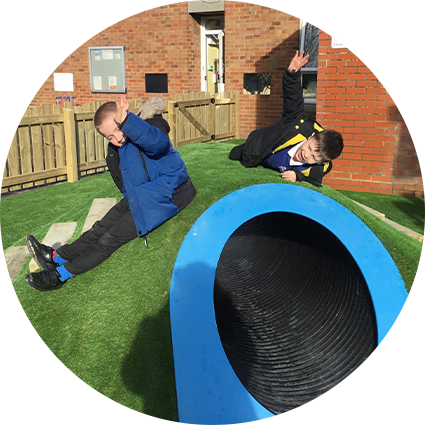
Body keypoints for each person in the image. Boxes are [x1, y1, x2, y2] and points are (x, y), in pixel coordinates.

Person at [25, 96, 196, 291]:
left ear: (126, 118)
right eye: (110, 137)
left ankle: (59, 275)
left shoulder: (150, 127)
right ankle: (57, 257)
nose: (118, 139)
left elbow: (156, 143)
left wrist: (128, 123)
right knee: (99, 228)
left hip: (168, 196)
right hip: (143, 195)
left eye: (118, 130)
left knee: (108, 239)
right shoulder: (121, 147)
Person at [229, 50, 344, 187]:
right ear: (311, 136)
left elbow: (314, 181)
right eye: (309, 148)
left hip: (274, 161)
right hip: (259, 146)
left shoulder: (317, 168)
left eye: (314, 157)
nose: (307, 155)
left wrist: (298, 176)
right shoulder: (297, 125)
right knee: (234, 154)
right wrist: (292, 74)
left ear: (321, 162)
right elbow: (293, 100)